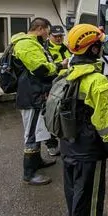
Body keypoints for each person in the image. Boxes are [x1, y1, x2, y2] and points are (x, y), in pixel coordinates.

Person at [62, 24, 108, 216]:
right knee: (90, 192)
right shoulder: (97, 81)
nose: (103, 49)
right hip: (89, 149)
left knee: (74, 190)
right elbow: (104, 121)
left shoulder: (66, 71)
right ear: (94, 50)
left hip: (69, 143)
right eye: (100, 45)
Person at [12, 17, 68, 186]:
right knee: (31, 133)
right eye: (47, 32)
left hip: (35, 94)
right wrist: (60, 66)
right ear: (41, 28)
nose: (48, 36)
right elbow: (40, 68)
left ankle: (37, 162)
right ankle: (29, 173)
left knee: (37, 130)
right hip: (30, 96)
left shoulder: (31, 43)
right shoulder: (26, 44)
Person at [44, 25, 72, 156]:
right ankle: (51, 144)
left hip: (67, 85)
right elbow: (44, 71)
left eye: (61, 36)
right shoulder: (45, 50)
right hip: (52, 87)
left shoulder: (66, 48)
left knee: (64, 114)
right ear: (49, 36)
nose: (59, 38)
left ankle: (66, 142)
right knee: (51, 114)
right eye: (56, 36)